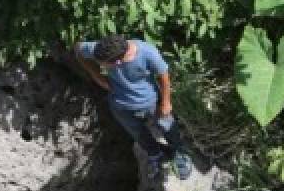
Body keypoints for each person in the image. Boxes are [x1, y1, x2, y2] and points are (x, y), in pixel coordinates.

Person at [73, 34, 194, 180]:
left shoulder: (147, 52)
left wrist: (166, 102)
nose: (101, 65)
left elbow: (164, 76)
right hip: (120, 105)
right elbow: (78, 49)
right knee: (137, 133)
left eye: (103, 64)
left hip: (150, 101)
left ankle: (179, 153)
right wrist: (97, 77)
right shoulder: (102, 49)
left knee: (167, 125)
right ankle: (156, 154)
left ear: (118, 62)